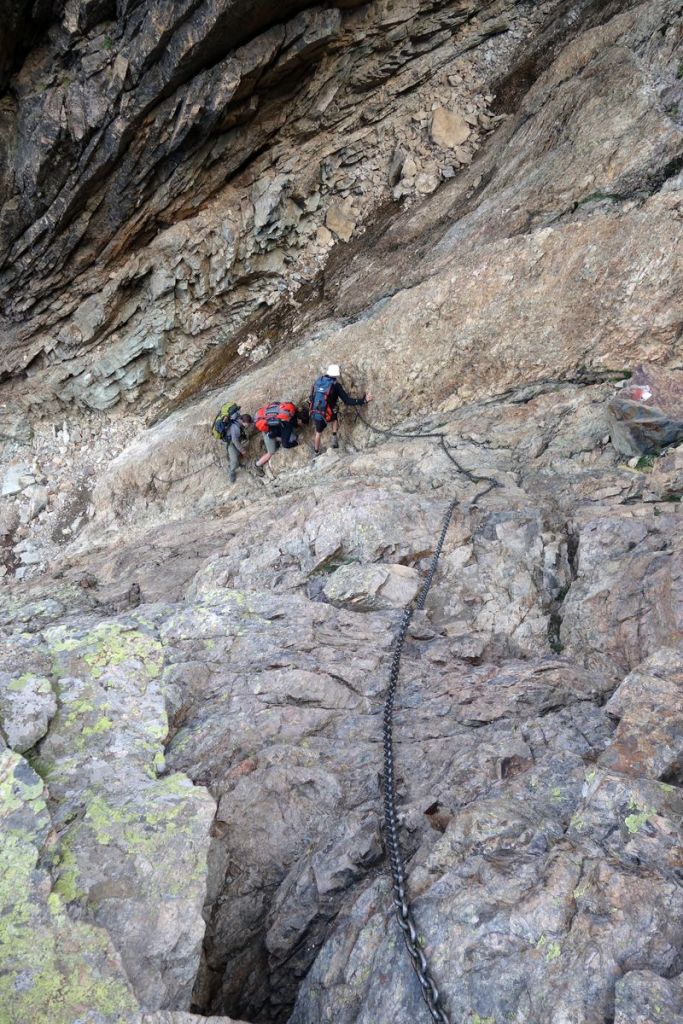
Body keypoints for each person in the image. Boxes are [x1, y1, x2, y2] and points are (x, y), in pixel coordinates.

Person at [309, 364, 372, 455]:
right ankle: (334, 437)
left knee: (318, 433)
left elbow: (312, 396)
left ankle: (316, 452)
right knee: (335, 417)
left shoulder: (320, 380)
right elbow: (347, 401)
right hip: (327, 413)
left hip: (315, 411)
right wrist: (363, 401)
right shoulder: (336, 385)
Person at [254, 401, 307, 471]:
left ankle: (276, 439)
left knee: (291, 436)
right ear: (299, 420)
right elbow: (285, 445)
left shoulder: (291, 410)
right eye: (302, 423)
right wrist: (297, 443)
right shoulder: (287, 423)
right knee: (271, 452)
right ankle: (257, 465)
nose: (301, 425)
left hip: (267, 419)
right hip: (266, 430)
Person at [221, 412, 253, 482]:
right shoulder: (236, 429)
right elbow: (235, 441)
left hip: (236, 439)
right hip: (230, 443)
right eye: (248, 424)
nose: (248, 425)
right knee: (234, 460)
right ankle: (231, 471)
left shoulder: (238, 419)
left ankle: (237, 462)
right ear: (243, 422)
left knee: (238, 452)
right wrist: (243, 451)